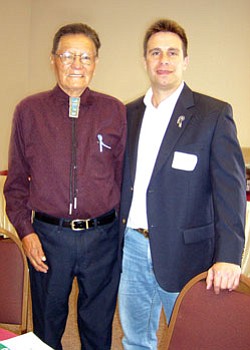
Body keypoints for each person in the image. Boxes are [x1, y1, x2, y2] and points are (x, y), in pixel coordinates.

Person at [118, 18, 246, 349]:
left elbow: (230, 192)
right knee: (135, 339)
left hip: (186, 252)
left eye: (172, 53)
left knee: (193, 340)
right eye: (155, 52)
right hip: (132, 248)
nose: (163, 61)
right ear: (145, 59)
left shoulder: (213, 114)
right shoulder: (127, 114)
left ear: (185, 60)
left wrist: (229, 255)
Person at [4, 23, 126, 350]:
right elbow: (15, 184)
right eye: (68, 55)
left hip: (102, 238)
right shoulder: (29, 111)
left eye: (85, 57)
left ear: (96, 62)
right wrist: (27, 233)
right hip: (48, 239)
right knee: (46, 326)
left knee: (99, 326)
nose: (76, 64)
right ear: (53, 59)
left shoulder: (114, 111)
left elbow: (123, 179)